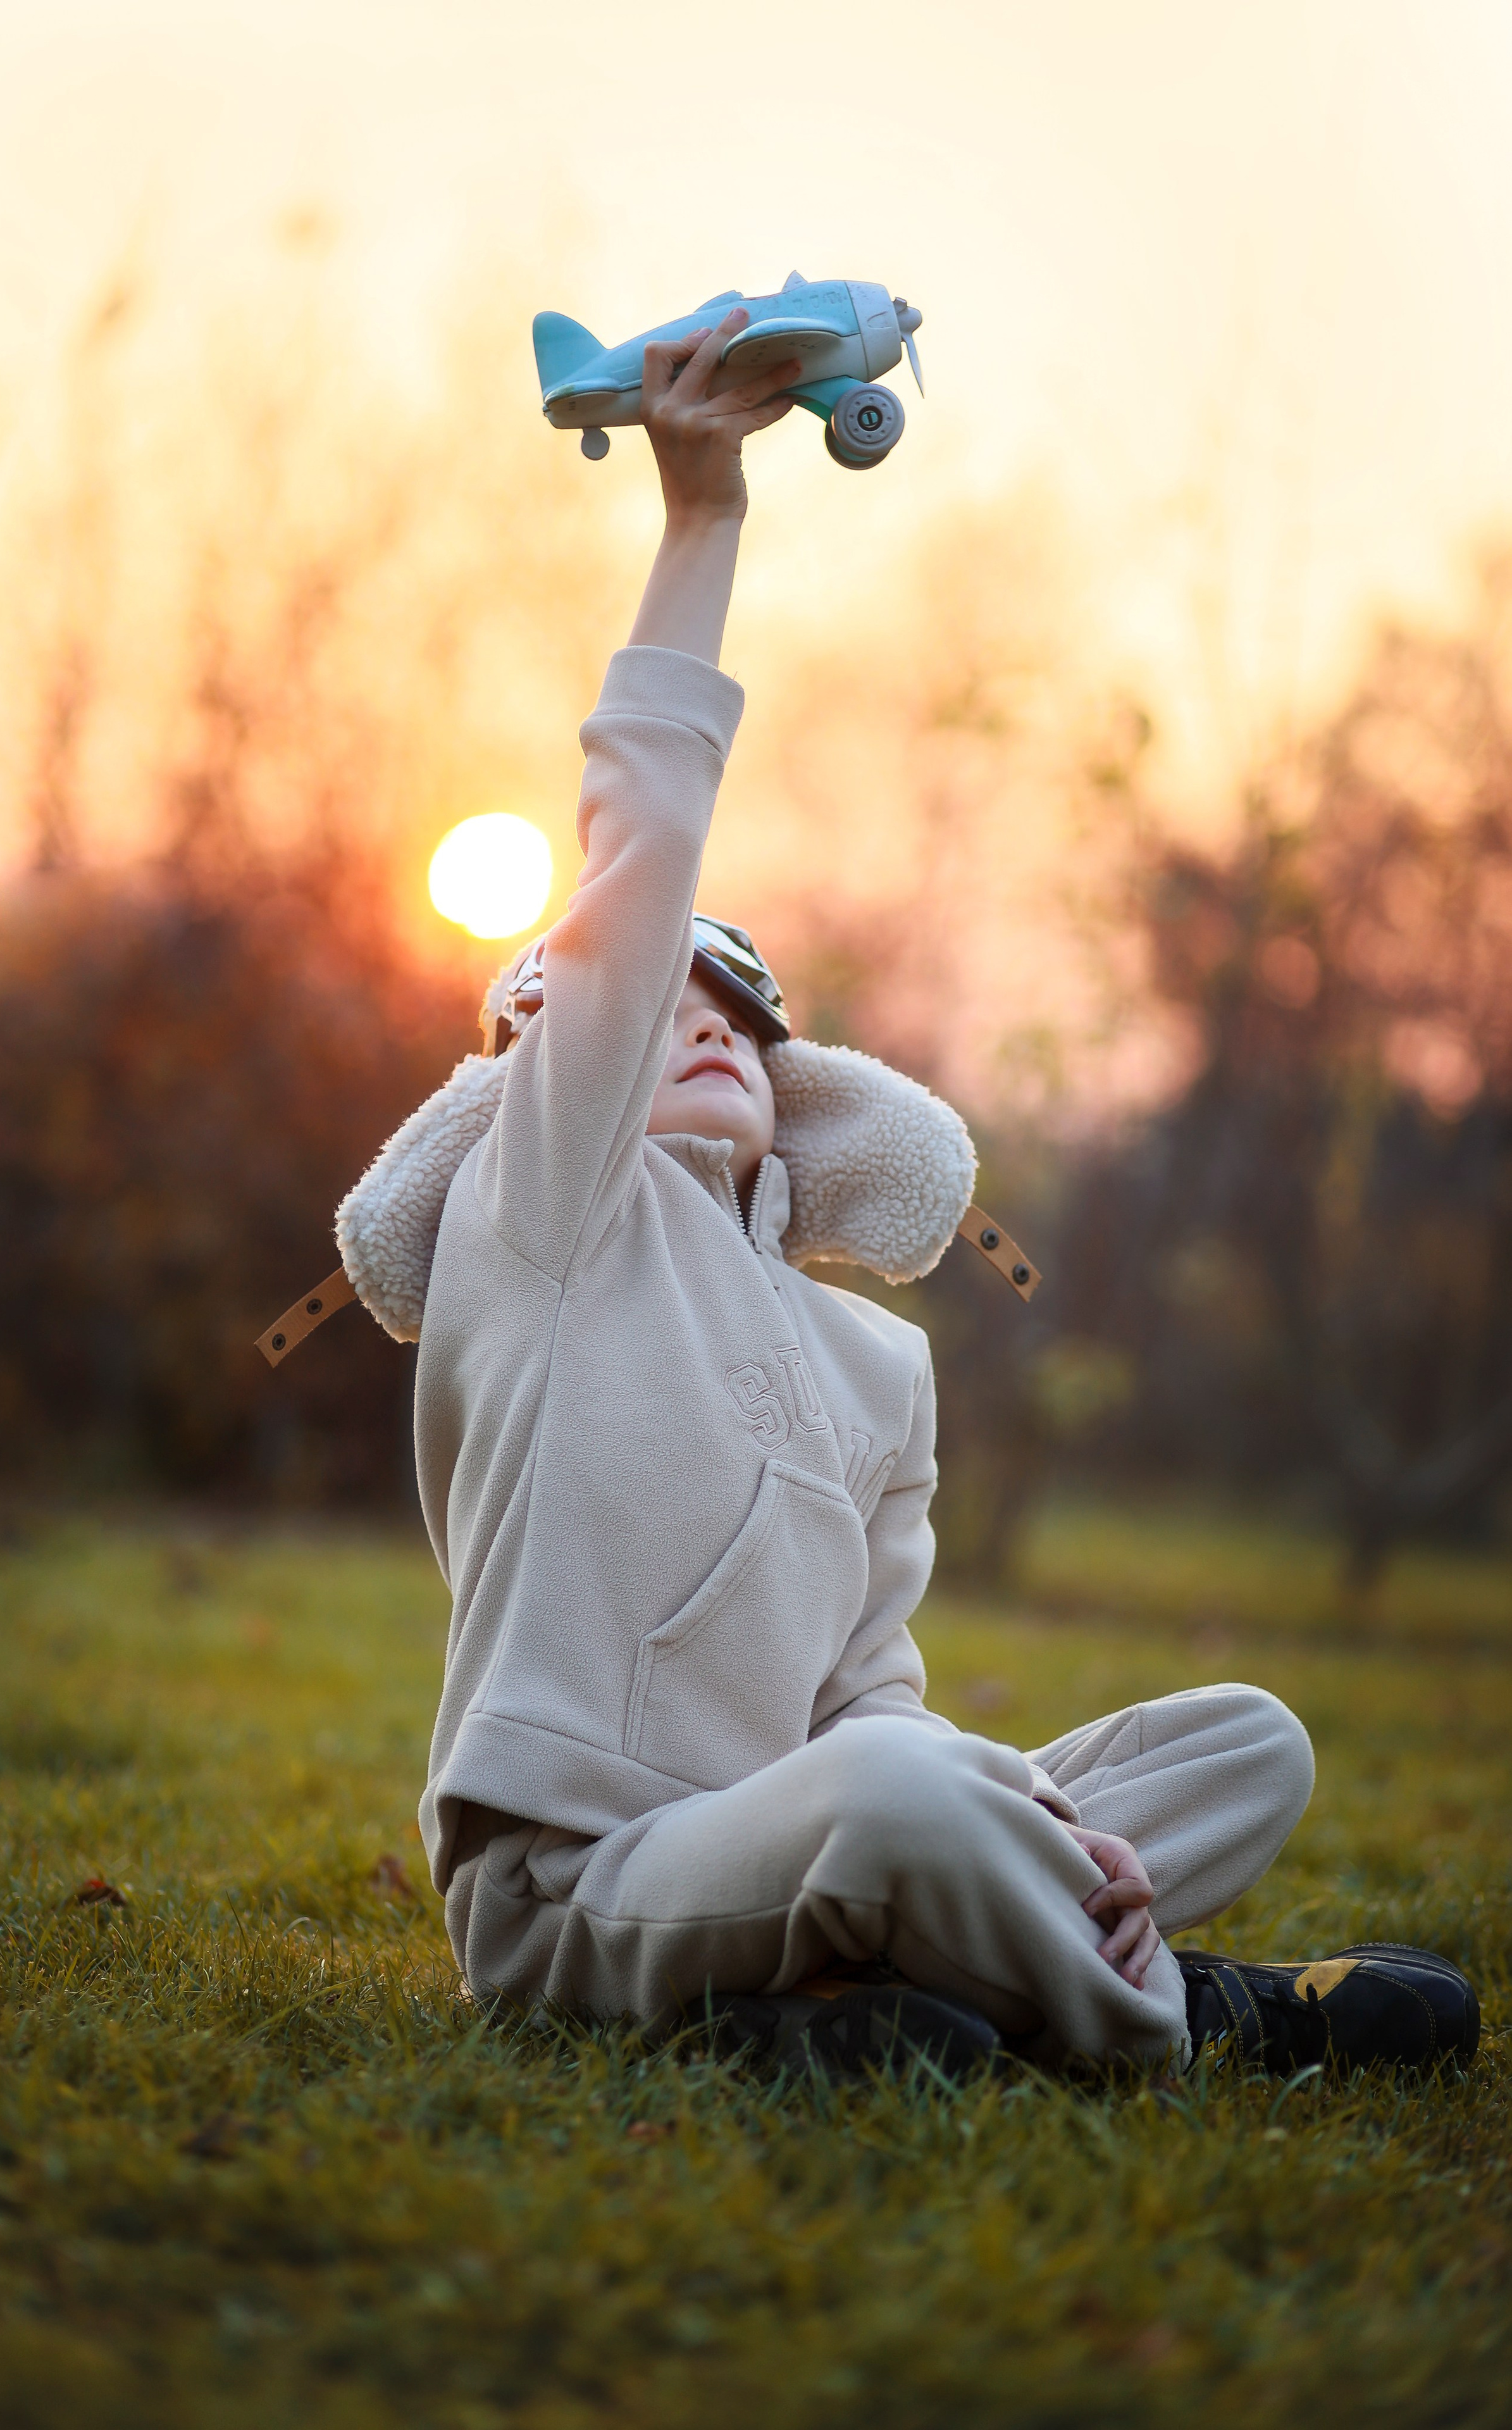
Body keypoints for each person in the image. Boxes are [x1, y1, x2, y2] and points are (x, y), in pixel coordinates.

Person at [337, 311, 1477, 2078]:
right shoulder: (545, 1220)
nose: (703, 1025)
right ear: (564, 1051)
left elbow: (872, 1697)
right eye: (658, 1006)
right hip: (584, 1885)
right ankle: (1188, 2019)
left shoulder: (879, 1370)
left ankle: (881, 2008)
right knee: (891, 1802)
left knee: (1241, 1745)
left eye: (743, 1012)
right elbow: (639, 848)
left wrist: (1021, 1811)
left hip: (822, 1819)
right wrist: (703, 515)